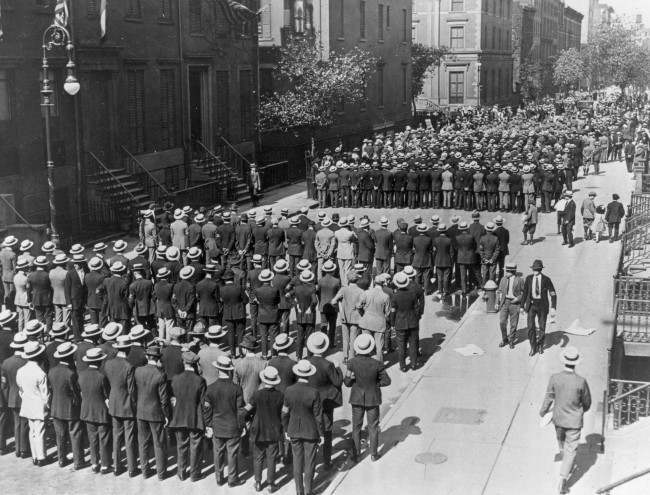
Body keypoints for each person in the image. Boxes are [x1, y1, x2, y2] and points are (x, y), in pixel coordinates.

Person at [539, 346, 591, 495]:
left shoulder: (554, 378)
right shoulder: (581, 381)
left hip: (558, 419)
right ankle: (563, 479)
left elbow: (548, 397)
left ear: (564, 362)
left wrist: (543, 412)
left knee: (561, 442)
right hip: (574, 422)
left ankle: (564, 459)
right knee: (571, 449)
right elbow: (587, 402)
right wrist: (580, 411)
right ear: (576, 363)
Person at [343, 334, 391, 465]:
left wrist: (352, 379)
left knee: (356, 427)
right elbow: (387, 381)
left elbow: (346, 383)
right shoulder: (377, 364)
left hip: (356, 398)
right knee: (373, 427)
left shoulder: (351, 363)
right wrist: (376, 384)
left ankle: (356, 453)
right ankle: (374, 454)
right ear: (370, 349)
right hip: (373, 399)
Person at [282, 359, 323, 495]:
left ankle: (299, 491)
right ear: (309, 374)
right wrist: (321, 433)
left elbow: (284, 413)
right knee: (310, 462)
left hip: (293, 429)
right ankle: (308, 491)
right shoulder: (314, 392)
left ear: (297, 373)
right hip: (310, 431)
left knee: (297, 462)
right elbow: (318, 415)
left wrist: (286, 429)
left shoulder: (289, 390)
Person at [203, 355, 246, 487]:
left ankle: (219, 478)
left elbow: (207, 410)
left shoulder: (210, 388)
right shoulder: (237, 388)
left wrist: (208, 425)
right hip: (233, 426)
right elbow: (240, 410)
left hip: (217, 426)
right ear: (229, 371)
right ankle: (232, 479)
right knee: (232, 453)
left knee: (218, 452)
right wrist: (242, 425)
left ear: (217, 370)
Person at [245, 366, 284, 492]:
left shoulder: (257, 395)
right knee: (272, 458)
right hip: (273, 430)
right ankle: (271, 484)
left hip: (259, 430)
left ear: (264, 380)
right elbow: (282, 413)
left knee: (258, 457)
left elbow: (248, 409)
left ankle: (257, 482)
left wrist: (245, 420)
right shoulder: (280, 396)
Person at [306, 332, 342, 468]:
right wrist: (338, 368)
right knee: (327, 432)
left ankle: (311, 462)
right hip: (326, 402)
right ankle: (327, 461)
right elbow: (337, 381)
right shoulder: (328, 364)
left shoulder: (306, 363)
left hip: (310, 402)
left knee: (311, 432)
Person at [103, 334, 138, 477]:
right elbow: (132, 390)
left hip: (114, 402)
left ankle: (117, 466)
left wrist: (108, 397)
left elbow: (105, 383)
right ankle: (132, 468)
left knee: (116, 436)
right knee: (129, 437)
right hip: (127, 404)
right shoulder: (129, 366)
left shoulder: (108, 363)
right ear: (128, 348)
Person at [134, 345, 170, 479]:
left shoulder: (138, 371)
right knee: (158, 443)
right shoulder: (160, 374)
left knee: (142, 442)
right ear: (158, 358)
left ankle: (145, 471)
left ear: (147, 357)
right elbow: (164, 399)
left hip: (141, 411)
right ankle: (161, 473)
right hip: (156, 413)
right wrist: (167, 415)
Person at [169, 351, 206, 482]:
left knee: (181, 446)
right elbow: (202, 403)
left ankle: (181, 472)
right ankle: (195, 474)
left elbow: (173, 397)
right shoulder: (200, 380)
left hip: (179, 416)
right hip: (194, 418)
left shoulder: (175, 378)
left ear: (184, 362)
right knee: (195, 446)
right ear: (195, 364)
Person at [48, 341, 84, 469]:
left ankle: (61, 459)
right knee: (75, 434)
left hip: (56, 407)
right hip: (70, 408)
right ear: (69, 357)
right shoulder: (71, 374)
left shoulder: (51, 371)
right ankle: (78, 461)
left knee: (60, 435)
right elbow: (75, 392)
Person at [16, 340, 50, 466]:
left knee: (32, 431)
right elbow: (45, 394)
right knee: (40, 431)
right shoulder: (40, 373)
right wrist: (47, 406)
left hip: (27, 402)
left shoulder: (21, 371)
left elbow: (20, 389)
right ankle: (41, 457)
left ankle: (35, 456)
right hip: (39, 404)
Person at [78, 347, 112, 474]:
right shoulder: (101, 376)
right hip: (101, 411)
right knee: (104, 439)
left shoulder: (81, 375)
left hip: (87, 411)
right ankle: (105, 464)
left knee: (92, 439)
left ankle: (94, 463)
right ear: (99, 361)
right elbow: (106, 395)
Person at [521, 259, 557, 356]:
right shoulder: (528, 278)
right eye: (534, 269)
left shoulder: (546, 279)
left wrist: (553, 307)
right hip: (531, 305)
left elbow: (553, 294)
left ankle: (540, 345)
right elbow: (524, 293)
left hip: (542, 306)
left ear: (541, 269)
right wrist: (521, 306)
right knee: (530, 327)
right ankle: (533, 346)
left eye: (537, 269)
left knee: (542, 327)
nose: (535, 271)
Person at [1, 332, 29, 458]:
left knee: (17, 423)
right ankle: (24, 449)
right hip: (24, 396)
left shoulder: (6, 363)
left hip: (11, 396)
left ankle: (18, 449)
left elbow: (4, 383)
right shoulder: (26, 362)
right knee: (25, 423)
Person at [331, 271, 364, 364]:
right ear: (357, 280)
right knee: (353, 338)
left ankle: (345, 356)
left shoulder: (344, 289)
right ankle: (351, 357)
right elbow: (362, 305)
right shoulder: (361, 291)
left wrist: (340, 309)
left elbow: (333, 301)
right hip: (356, 318)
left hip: (344, 317)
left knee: (345, 338)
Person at [357, 274, 392, 361]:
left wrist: (363, 314)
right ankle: (379, 363)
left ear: (374, 283)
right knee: (379, 346)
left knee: (366, 343)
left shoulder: (366, 293)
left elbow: (358, 306)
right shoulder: (385, 296)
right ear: (383, 283)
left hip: (366, 322)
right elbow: (388, 313)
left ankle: (365, 361)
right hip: (379, 323)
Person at [391, 272, 420, 371]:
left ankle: (403, 366)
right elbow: (417, 308)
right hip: (412, 322)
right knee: (413, 344)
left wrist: (392, 323)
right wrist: (416, 318)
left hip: (400, 323)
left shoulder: (395, 296)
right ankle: (414, 363)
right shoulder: (412, 294)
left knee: (401, 346)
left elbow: (393, 311)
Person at [496, 262, 524, 349]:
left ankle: (511, 340)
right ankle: (505, 339)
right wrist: (497, 302)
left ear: (511, 272)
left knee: (513, 324)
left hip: (515, 304)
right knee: (502, 322)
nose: (506, 273)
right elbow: (499, 291)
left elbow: (524, 293)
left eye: (507, 271)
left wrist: (518, 298)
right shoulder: (503, 279)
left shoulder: (519, 280)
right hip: (505, 303)